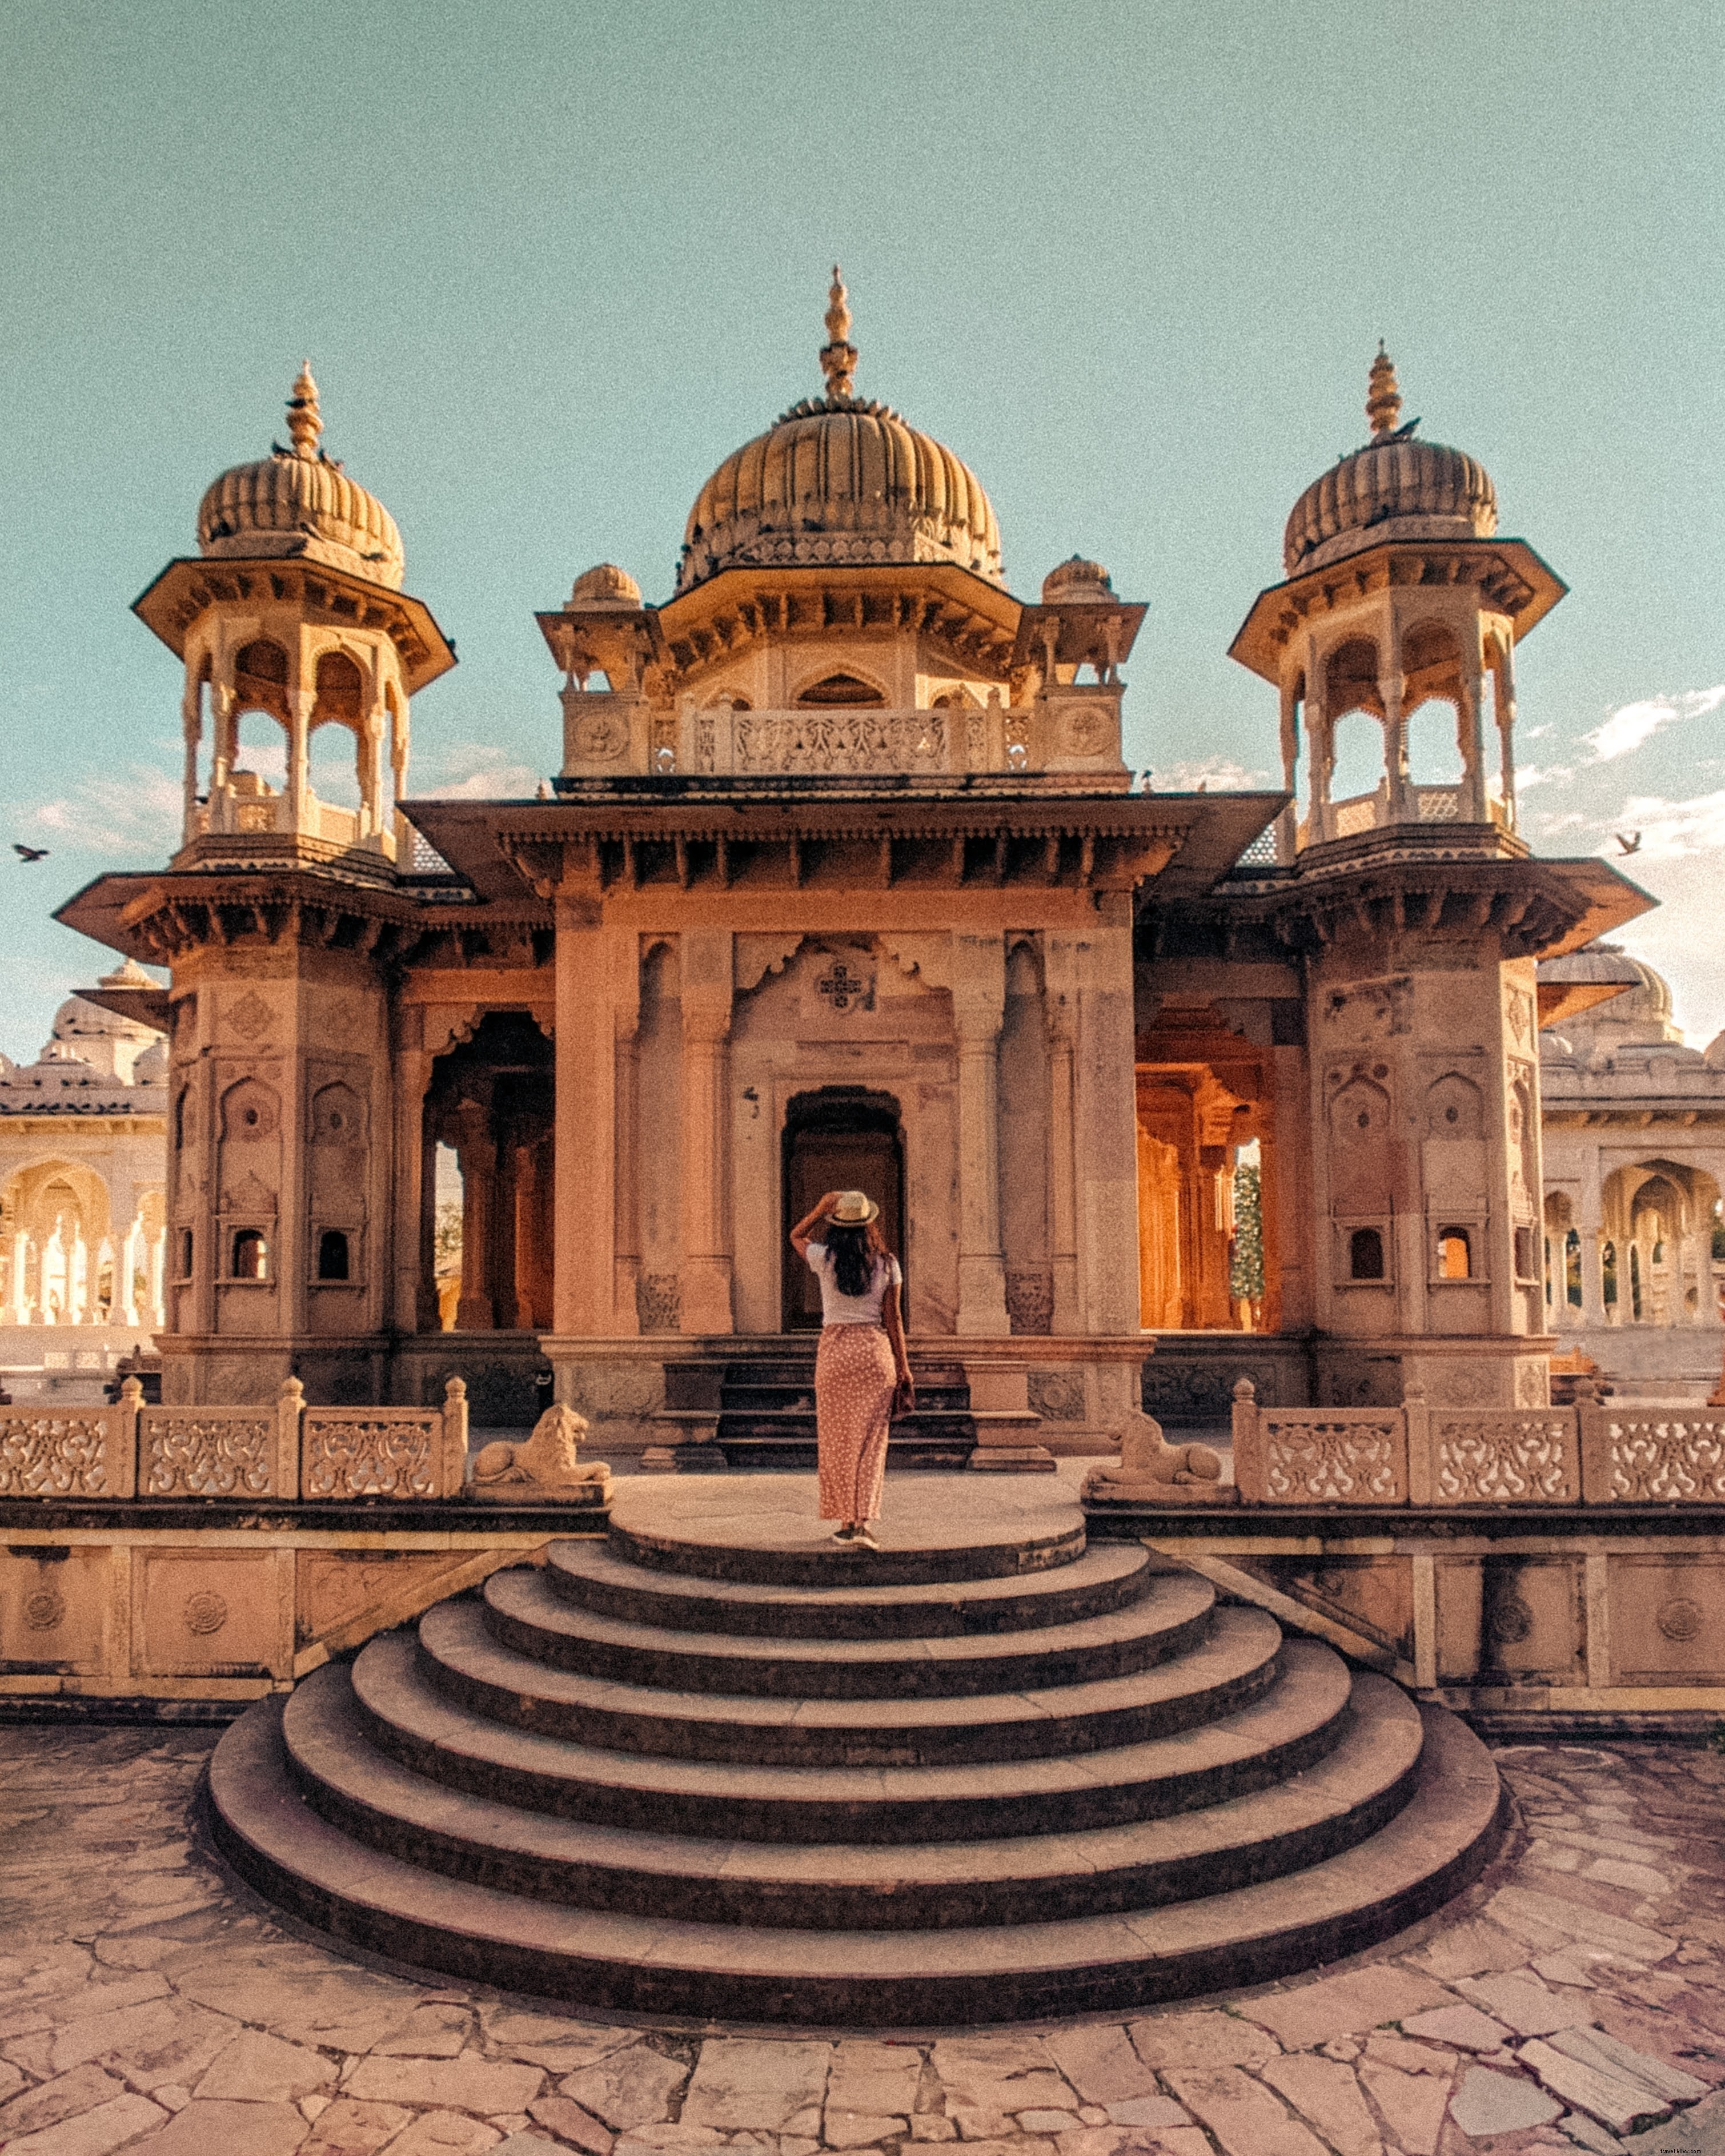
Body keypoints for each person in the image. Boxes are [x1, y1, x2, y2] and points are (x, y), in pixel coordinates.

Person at [788, 1189, 912, 1547]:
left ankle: (846, 1522)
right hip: (874, 1354)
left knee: (837, 1442)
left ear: (837, 1224)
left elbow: (796, 1236)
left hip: (836, 1354)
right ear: (869, 1223)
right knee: (872, 1443)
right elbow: (895, 1319)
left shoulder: (823, 1258)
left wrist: (820, 1206)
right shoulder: (888, 1263)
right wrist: (904, 1368)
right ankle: (862, 1522)